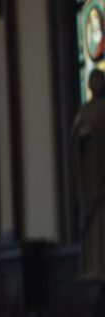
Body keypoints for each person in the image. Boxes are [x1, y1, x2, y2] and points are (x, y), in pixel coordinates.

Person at [72, 69, 105, 281]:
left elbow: (75, 144)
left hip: (94, 184)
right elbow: (76, 143)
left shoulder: (83, 114)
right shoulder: (83, 113)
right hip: (94, 182)